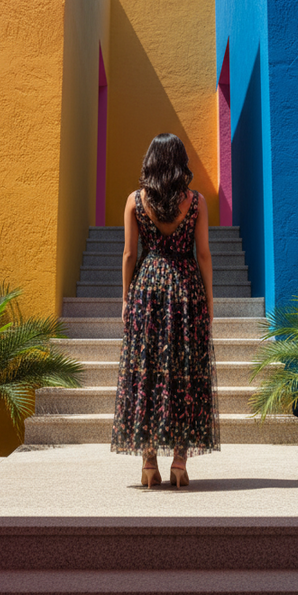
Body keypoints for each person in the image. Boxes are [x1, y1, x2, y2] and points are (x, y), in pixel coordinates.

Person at [110, 133, 219, 487]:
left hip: (147, 289)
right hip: (186, 289)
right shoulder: (197, 202)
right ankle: (180, 464)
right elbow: (203, 254)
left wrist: (126, 298)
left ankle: (147, 465)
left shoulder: (135, 200)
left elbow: (128, 254)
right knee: (185, 372)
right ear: (180, 162)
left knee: (148, 372)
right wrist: (209, 299)